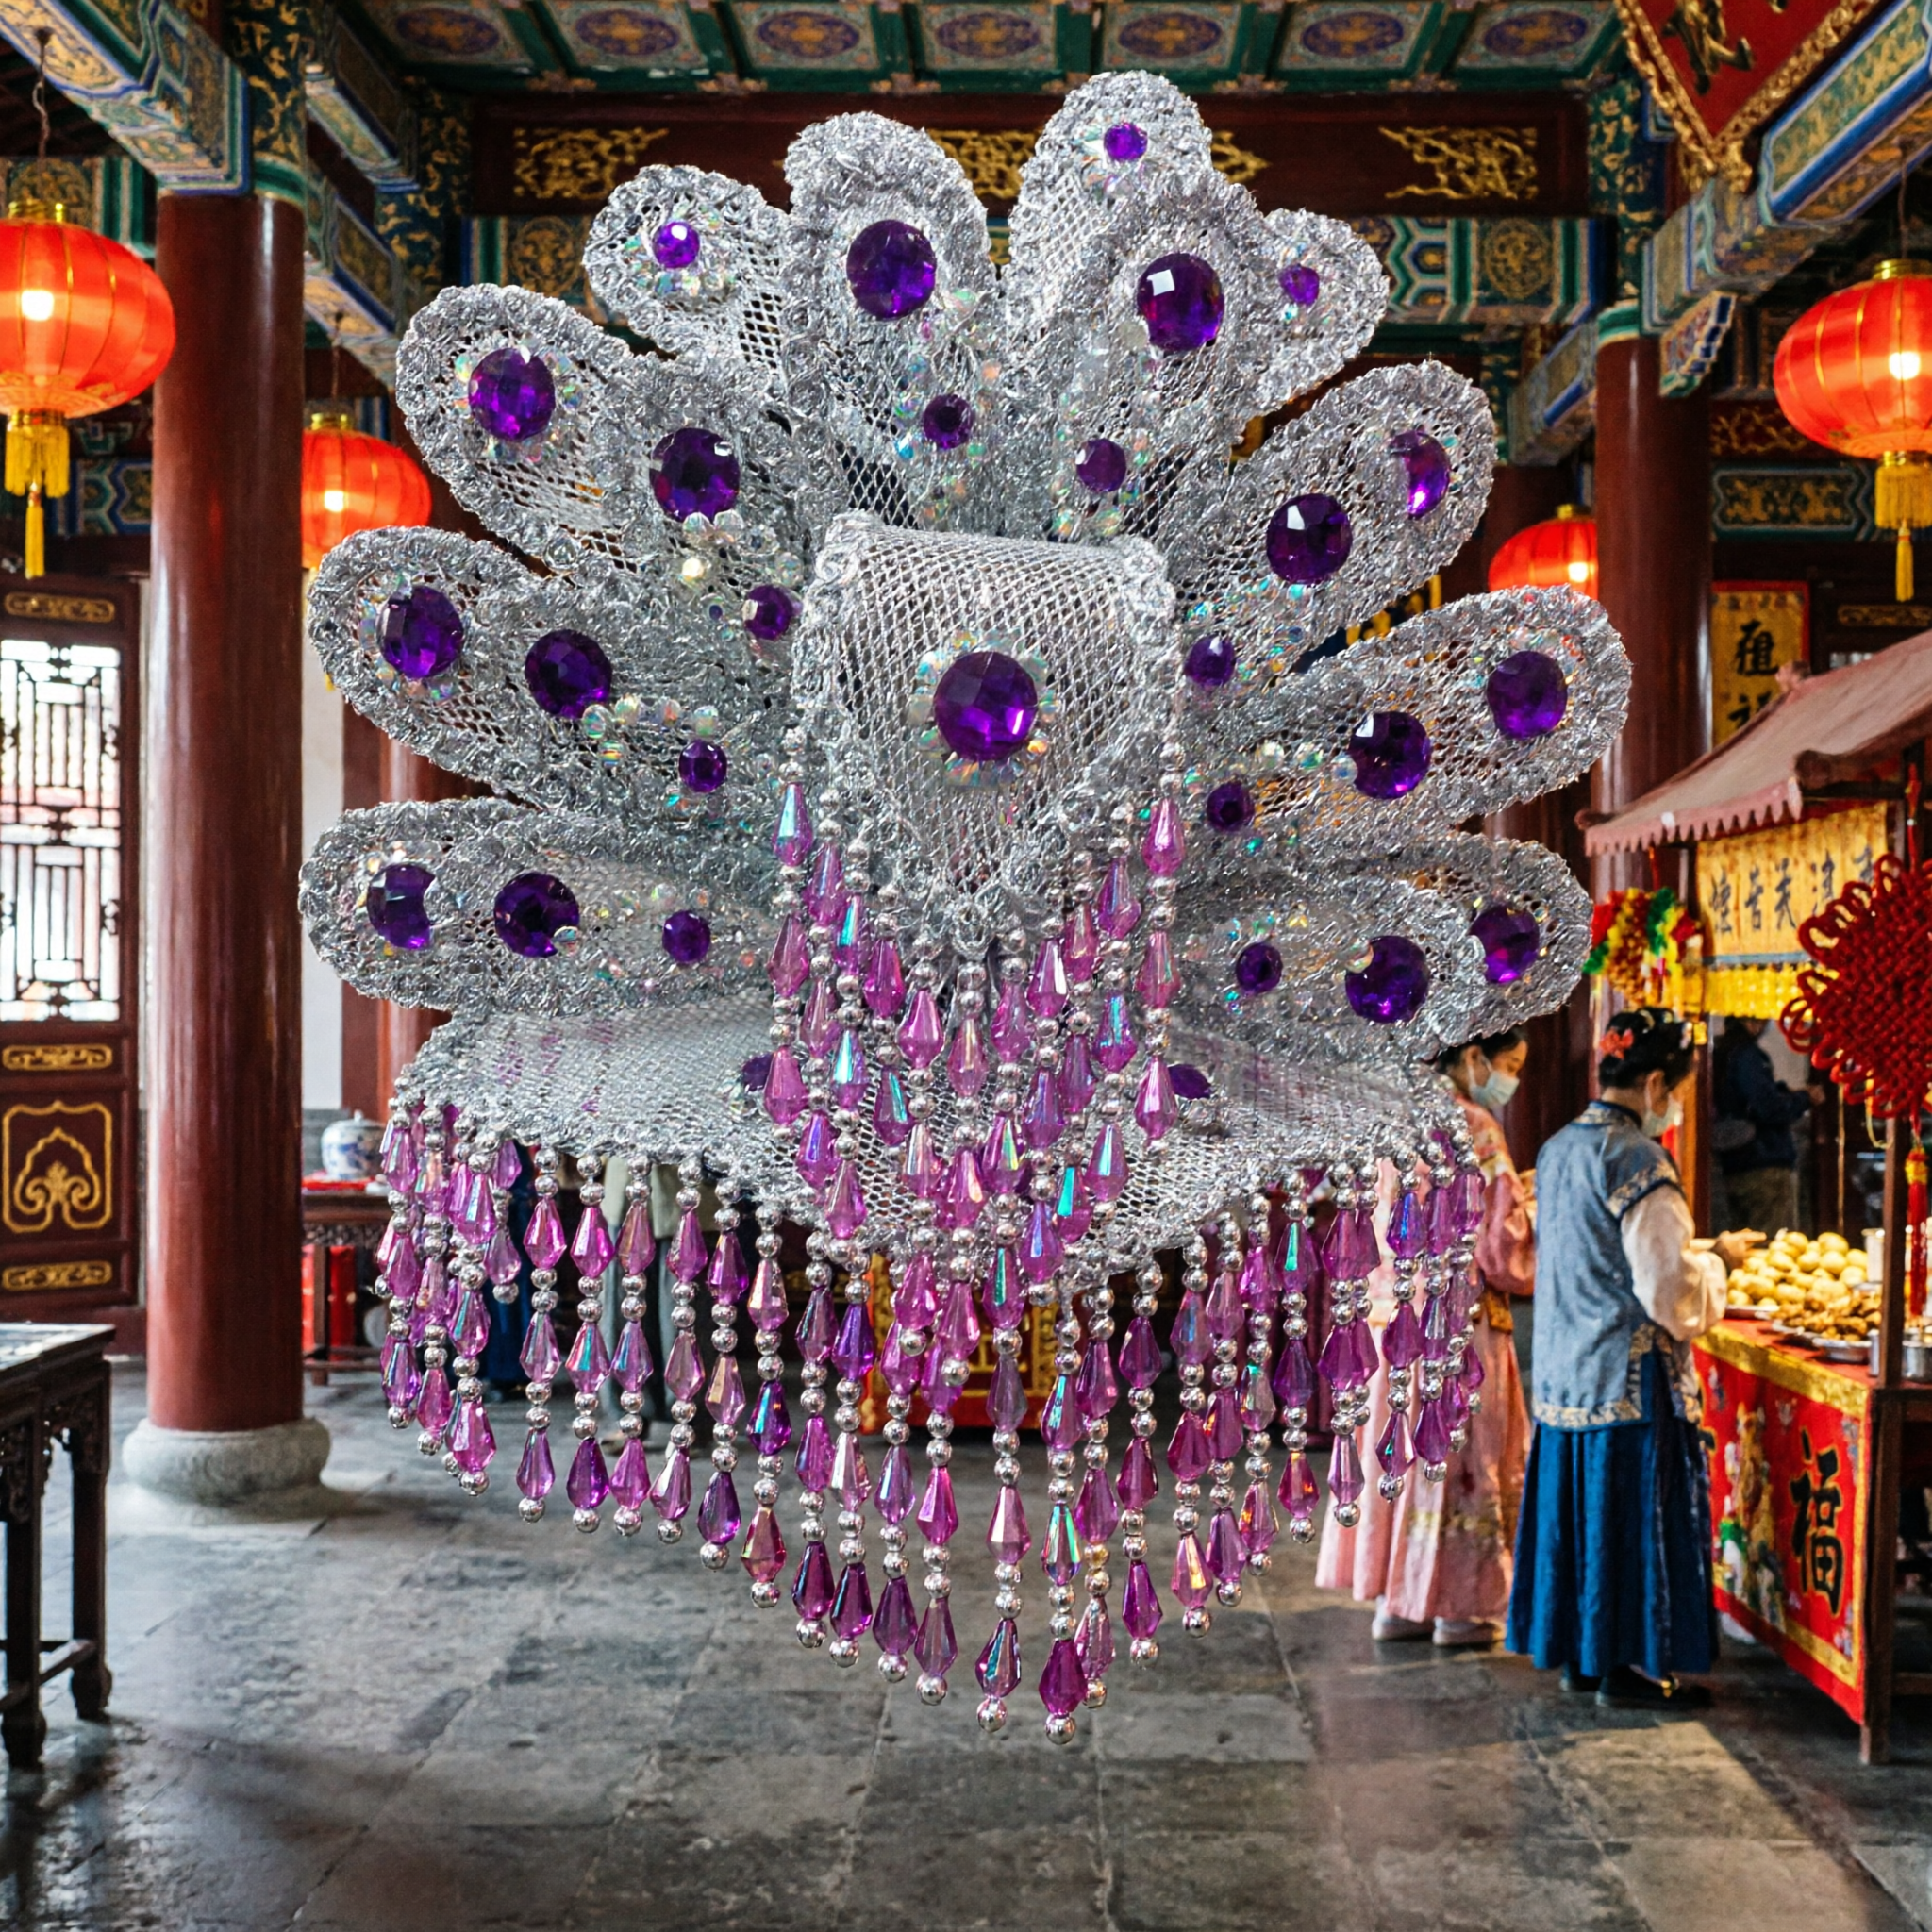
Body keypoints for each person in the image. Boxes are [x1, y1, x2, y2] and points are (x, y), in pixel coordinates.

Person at [1507, 1008, 1758, 1708]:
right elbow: (1667, 1288)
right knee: (1628, 1516)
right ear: (1652, 1083)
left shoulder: (1559, 1147)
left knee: (1580, 1518)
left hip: (1563, 1368)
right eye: (1675, 1088)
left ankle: (1584, 1660)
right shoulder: (1639, 1159)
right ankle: (1628, 1667)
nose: (1674, 1103)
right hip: (1625, 1374)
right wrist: (1721, 1268)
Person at [1317, 1028, 1534, 1648]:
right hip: (1457, 1327)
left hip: (1393, 1324)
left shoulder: (1394, 1118)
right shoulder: (1476, 1127)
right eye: (1510, 1065)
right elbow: (1501, 1246)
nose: (1508, 1079)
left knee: (1398, 1451)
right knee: (1461, 1459)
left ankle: (1397, 1601)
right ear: (1474, 1059)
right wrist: (1533, 1224)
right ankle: (1459, 1606)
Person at [1712, 1015, 1824, 1236]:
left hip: (1733, 1164)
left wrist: (1783, 1092)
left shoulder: (1719, 1054)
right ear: (1752, 1021)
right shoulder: (1747, 1056)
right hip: (1762, 1164)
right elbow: (1768, 1107)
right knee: (1771, 1245)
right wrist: (1804, 1099)